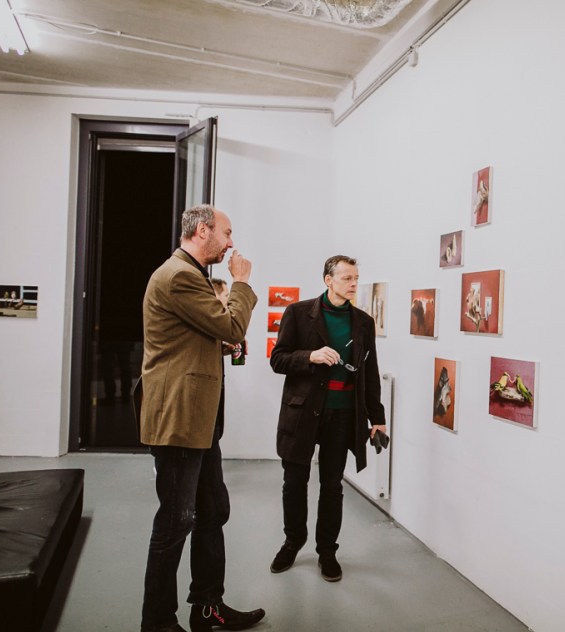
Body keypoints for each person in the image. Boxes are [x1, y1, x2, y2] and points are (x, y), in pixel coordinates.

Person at [139, 204, 264, 632]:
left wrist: (218, 346)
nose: (231, 243)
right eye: (227, 233)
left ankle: (207, 608)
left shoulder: (191, 275)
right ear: (203, 231)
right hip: (179, 421)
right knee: (176, 522)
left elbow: (199, 336)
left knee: (211, 511)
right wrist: (242, 283)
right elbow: (231, 326)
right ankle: (158, 623)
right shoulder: (179, 275)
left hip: (199, 421)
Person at [269, 255, 387, 580]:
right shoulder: (297, 313)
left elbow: (370, 373)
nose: (353, 284)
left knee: (332, 486)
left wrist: (377, 418)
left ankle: (327, 551)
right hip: (302, 412)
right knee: (294, 483)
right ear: (328, 280)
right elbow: (278, 359)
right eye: (347, 278)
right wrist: (311, 356)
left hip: (343, 414)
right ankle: (293, 541)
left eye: (356, 278)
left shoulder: (364, 322)